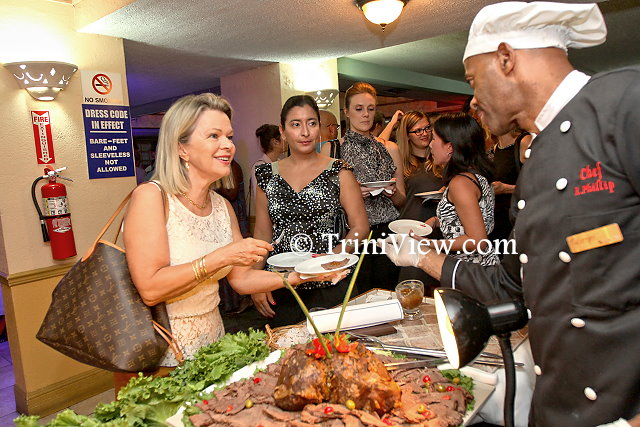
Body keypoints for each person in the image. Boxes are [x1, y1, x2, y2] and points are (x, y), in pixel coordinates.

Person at [382, 2, 640, 426]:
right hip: (560, 402)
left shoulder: (622, 104)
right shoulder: (538, 156)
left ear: (506, 58)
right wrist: (420, 256)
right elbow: (510, 280)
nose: (473, 99)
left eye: (473, 80)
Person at [122, 93, 341, 388]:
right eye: (214, 136)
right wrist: (222, 257)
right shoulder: (151, 197)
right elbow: (150, 288)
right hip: (161, 357)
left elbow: (241, 280)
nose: (227, 145)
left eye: (228, 135)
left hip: (213, 346)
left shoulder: (220, 206)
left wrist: (299, 276)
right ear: (181, 148)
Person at [252, 95, 369, 326]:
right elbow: (262, 235)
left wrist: (331, 260)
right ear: (283, 131)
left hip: (331, 283)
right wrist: (256, 279)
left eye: (312, 123)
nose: (305, 132)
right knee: (286, 356)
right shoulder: (266, 175)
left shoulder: (339, 171)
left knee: (338, 355)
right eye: (296, 124)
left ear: (318, 129)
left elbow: (360, 227)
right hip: (283, 284)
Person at [322, 82, 406, 292]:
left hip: (388, 235)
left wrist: (392, 192)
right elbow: (323, 202)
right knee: (356, 299)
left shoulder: (390, 148)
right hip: (352, 237)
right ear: (347, 112)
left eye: (370, 109)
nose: (366, 115)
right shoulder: (332, 149)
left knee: (389, 296)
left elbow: (402, 200)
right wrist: (352, 195)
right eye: (359, 109)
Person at [426, 112, 498, 266]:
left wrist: (429, 244)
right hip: (481, 267)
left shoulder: (460, 183)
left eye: (433, 139)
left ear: (450, 147)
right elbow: (473, 218)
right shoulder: (475, 175)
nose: (430, 144)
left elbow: (478, 241)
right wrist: (438, 221)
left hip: (472, 271)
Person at [395, 111, 443, 290]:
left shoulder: (441, 158)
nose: (424, 133)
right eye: (417, 130)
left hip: (439, 228)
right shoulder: (401, 162)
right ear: (406, 135)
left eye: (427, 128)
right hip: (413, 229)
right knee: (413, 287)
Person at [249, 124, 286, 210]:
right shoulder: (260, 166)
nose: (287, 141)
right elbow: (259, 200)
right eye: (283, 138)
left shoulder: (281, 162)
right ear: (275, 142)